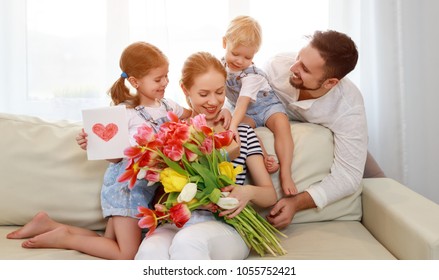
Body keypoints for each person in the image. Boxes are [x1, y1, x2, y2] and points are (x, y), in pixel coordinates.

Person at [6, 42, 199, 259]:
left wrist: (220, 113)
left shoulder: (167, 105)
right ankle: (64, 238)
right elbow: (115, 157)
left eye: (166, 76)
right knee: (127, 253)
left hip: (145, 189)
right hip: (126, 189)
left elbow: (193, 116)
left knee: (109, 243)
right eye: (158, 79)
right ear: (135, 81)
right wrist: (93, 142)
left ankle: (48, 225)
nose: (165, 82)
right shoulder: (125, 112)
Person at [134, 51, 277, 260]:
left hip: (227, 226)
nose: (213, 101)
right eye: (204, 94)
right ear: (185, 90)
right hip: (180, 221)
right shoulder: (172, 135)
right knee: (151, 248)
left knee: (188, 241)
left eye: (220, 92)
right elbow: (162, 193)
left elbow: (269, 196)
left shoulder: (241, 133)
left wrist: (247, 192)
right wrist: (179, 201)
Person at [264, 30, 384, 229]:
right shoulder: (277, 68)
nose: (293, 68)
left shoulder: (349, 106)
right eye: (298, 58)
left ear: (330, 83)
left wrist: (296, 203)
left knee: (380, 184)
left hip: (338, 135)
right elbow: (241, 99)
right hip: (284, 124)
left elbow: (347, 177)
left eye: (305, 69)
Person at [222, 15, 297, 196]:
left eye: (248, 57)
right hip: (247, 112)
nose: (240, 61)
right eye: (235, 53)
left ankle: (286, 173)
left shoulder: (252, 75)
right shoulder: (219, 68)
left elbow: (242, 102)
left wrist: (232, 124)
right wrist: (226, 111)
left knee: (281, 125)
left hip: (267, 106)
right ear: (224, 43)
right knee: (242, 129)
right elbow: (220, 93)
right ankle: (265, 157)